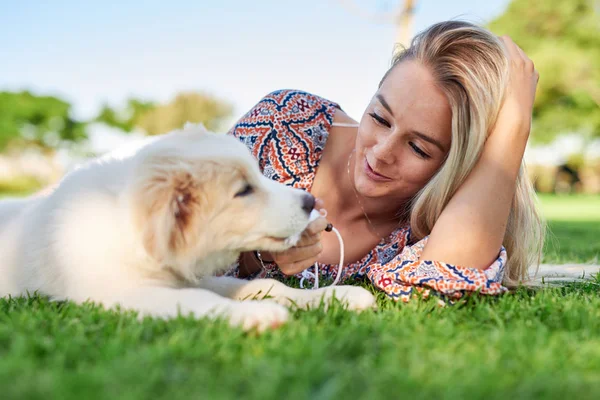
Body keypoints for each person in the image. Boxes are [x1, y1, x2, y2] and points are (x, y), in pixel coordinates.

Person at [226, 20, 545, 302]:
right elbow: (183, 227)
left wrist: (513, 129)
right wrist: (260, 248)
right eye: (380, 117)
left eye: (418, 148)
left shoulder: (434, 223)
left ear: (458, 167)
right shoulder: (284, 124)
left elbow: (441, 289)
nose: (381, 153)